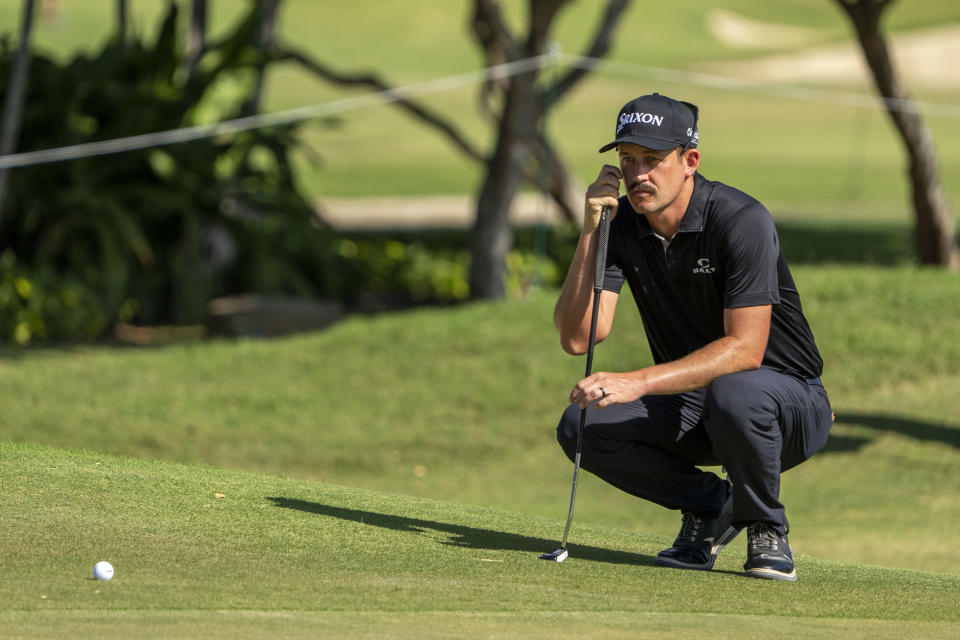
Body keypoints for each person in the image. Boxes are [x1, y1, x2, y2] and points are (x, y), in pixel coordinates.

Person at [553, 93, 832, 582]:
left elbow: (746, 349)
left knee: (736, 389)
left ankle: (765, 525)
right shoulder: (620, 226)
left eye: (653, 160)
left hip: (789, 405)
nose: (638, 174)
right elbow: (580, 337)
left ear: (690, 161)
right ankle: (711, 507)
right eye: (628, 160)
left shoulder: (739, 219)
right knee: (582, 426)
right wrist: (590, 232)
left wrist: (637, 381)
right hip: (699, 406)